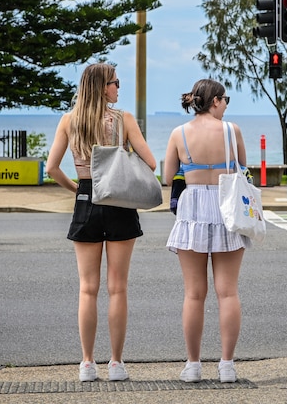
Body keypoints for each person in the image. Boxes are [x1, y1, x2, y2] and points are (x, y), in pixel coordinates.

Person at [45, 63, 156, 383]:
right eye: (115, 83)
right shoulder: (124, 120)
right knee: (118, 287)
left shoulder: (69, 120)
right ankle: (117, 363)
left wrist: (77, 189)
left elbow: (52, 167)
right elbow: (150, 162)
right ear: (101, 87)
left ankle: (87, 364)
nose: (119, 88)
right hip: (119, 201)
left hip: (86, 200)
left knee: (87, 289)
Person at [163, 79, 248, 385]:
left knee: (194, 294)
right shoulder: (231, 131)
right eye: (225, 100)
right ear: (214, 102)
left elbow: (167, 174)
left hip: (193, 207)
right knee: (228, 292)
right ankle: (227, 365)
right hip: (227, 206)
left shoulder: (179, 133)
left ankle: (193, 365)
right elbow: (243, 166)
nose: (226, 105)